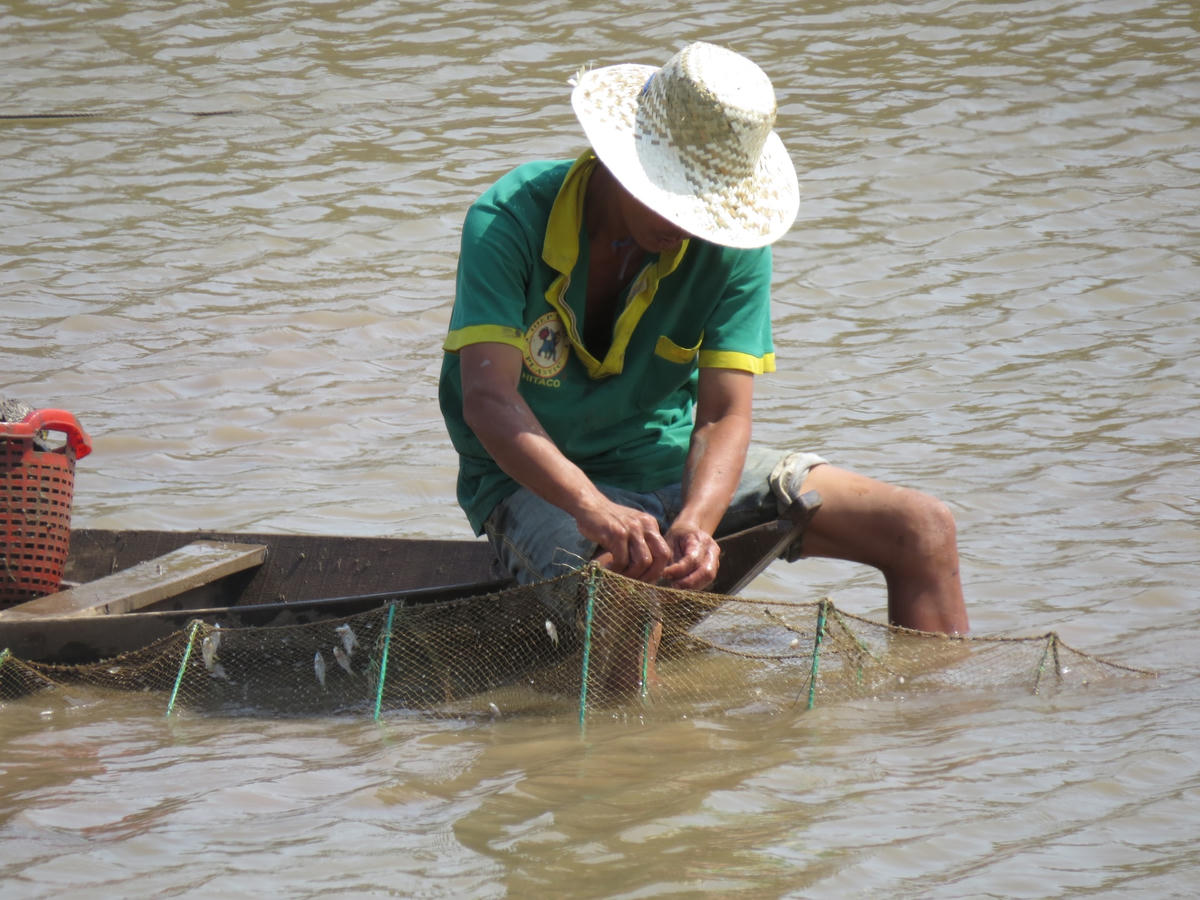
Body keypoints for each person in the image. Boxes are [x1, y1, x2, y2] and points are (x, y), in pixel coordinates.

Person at [438, 42, 969, 643]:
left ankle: (942, 730)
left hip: (670, 468)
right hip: (535, 484)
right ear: (622, 159)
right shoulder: (508, 219)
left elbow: (722, 413)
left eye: (703, 206)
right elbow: (486, 399)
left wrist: (697, 522)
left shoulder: (733, 247)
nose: (685, 224)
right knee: (625, 596)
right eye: (670, 195)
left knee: (922, 527)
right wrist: (594, 509)